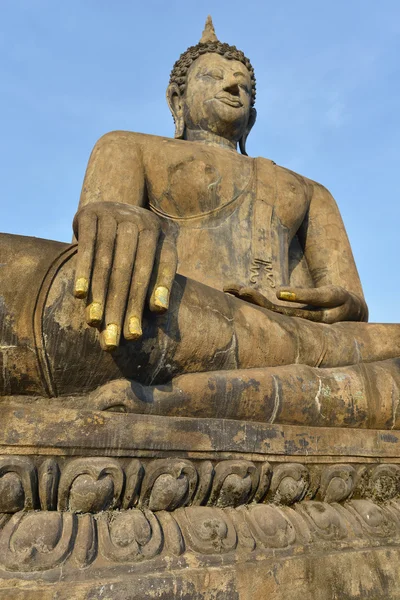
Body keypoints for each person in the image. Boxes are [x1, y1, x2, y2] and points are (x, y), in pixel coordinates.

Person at [1, 17, 400, 429]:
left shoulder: (309, 190)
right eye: (214, 77)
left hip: (292, 333)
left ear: (253, 118)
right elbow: (93, 271)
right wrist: (114, 220)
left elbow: (352, 304)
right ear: (177, 99)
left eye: (243, 84)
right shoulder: (127, 146)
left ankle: (201, 391)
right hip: (174, 317)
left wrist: (332, 302)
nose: (233, 88)